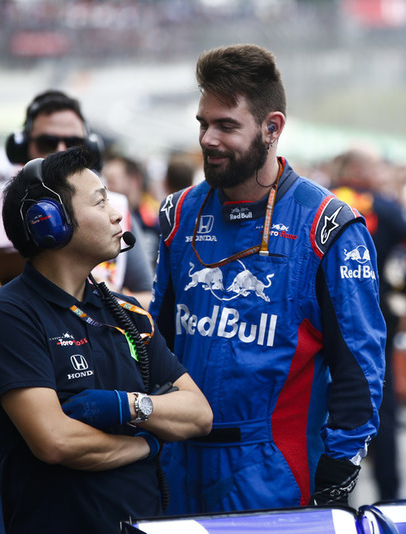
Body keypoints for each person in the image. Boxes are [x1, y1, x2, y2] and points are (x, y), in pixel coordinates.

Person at [149, 44, 386, 513]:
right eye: (203, 123)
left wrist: (339, 469)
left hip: (273, 469)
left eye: (226, 125)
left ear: (272, 128)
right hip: (177, 459)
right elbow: (160, 339)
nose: (208, 139)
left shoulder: (329, 225)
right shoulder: (178, 214)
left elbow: (359, 367)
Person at [0, 147, 213, 533]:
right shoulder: (7, 316)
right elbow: (56, 441)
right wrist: (147, 445)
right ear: (50, 223)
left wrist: (129, 406)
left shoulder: (127, 312)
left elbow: (199, 414)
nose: (117, 214)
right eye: (101, 202)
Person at [0, 89, 154, 534]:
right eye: (48, 144)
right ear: (22, 145)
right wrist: (26, 307)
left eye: (74, 146)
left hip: (108, 408)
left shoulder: (115, 208)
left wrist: (89, 305)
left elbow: (147, 296)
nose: (61, 153)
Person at [330, 147, 406, 501]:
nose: (381, 172)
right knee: (378, 402)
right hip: (373, 314)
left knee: (330, 403)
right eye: (375, 166)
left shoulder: (319, 200)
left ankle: (335, 498)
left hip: (325, 318)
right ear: (358, 169)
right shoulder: (381, 206)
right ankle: (390, 498)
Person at [102, 154, 161, 269]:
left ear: (134, 181)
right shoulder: (103, 218)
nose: (105, 189)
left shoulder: (153, 220)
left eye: (111, 181)